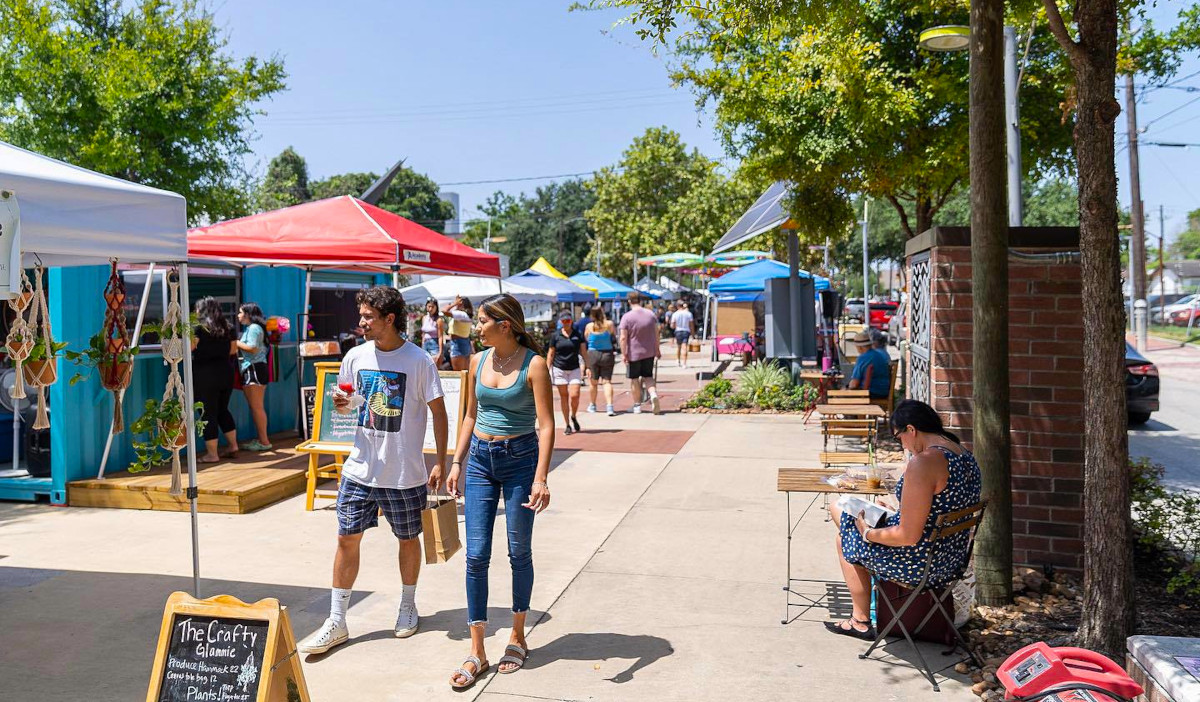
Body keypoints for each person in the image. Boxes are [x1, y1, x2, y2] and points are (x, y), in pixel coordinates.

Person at [297, 286, 449, 655]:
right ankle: (337, 620)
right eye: (362, 315)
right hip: (360, 468)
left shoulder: (418, 361)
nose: (361, 322)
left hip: (403, 473)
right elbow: (350, 408)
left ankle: (408, 604)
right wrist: (342, 403)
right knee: (346, 539)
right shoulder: (355, 356)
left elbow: (439, 413)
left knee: (407, 539)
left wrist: (442, 461)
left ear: (389, 319)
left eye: (368, 316)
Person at [446, 293, 554, 690]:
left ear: (504, 324)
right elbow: (470, 415)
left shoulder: (535, 365)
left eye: (481, 321)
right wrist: (457, 461)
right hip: (478, 460)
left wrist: (541, 477)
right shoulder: (477, 361)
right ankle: (477, 650)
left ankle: (517, 635)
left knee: (517, 551)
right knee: (476, 555)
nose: (476, 327)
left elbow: (545, 425)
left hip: (520, 461)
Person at [825, 399, 981, 640]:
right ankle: (863, 615)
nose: (902, 445)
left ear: (911, 429)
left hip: (920, 564)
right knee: (846, 516)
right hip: (950, 558)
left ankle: (860, 620)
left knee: (845, 532)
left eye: (899, 437)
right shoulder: (964, 455)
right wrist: (896, 512)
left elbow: (907, 536)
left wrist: (867, 532)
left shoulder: (924, 462)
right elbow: (941, 506)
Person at [191, 297, 238, 463]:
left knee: (207, 413)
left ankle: (212, 454)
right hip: (226, 372)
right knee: (222, 410)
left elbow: (190, 347)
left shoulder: (198, 328)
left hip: (205, 374)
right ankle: (233, 446)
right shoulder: (229, 327)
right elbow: (233, 350)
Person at [235, 303, 272, 451]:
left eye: (241, 312)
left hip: (254, 369)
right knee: (256, 407)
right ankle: (262, 439)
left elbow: (252, 347)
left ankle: (264, 441)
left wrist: (235, 342)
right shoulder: (254, 328)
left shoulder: (253, 328)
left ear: (248, 314)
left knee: (256, 407)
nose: (238, 316)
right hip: (256, 368)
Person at [618, 291, 661, 415]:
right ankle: (653, 394)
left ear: (629, 301)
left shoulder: (627, 317)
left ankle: (637, 405)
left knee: (634, 379)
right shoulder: (651, 315)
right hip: (649, 352)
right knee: (648, 376)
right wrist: (657, 349)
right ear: (640, 300)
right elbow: (656, 333)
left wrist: (624, 353)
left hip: (633, 353)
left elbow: (623, 338)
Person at [546, 310, 586, 435]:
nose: (566, 323)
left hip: (574, 368)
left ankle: (574, 415)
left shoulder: (578, 334)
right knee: (564, 397)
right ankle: (567, 424)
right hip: (559, 368)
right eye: (563, 321)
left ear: (571, 321)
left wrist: (587, 366)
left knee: (575, 395)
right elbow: (551, 353)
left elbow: (583, 351)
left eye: (568, 321)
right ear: (560, 322)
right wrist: (547, 369)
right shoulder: (555, 335)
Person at [584, 306, 617, 416]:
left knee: (593, 382)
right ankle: (610, 406)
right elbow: (613, 335)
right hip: (607, 353)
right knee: (607, 381)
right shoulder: (609, 324)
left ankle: (593, 405)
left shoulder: (589, 326)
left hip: (593, 354)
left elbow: (586, 338)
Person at [847, 329, 891, 400]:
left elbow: (854, 384)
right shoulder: (880, 355)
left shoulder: (863, 358)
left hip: (870, 393)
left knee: (836, 396)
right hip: (883, 391)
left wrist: (846, 390)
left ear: (860, 348)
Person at [444, 296, 474, 372]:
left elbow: (444, 311)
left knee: (458, 372)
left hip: (458, 343)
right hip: (464, 341)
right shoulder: (465, 315)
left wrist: (454, 303)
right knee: (465, 371)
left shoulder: (461, 314)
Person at [669, 300, 696, 368]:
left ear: (677, 306)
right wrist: (693, 334)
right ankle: (684, 363)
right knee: (685, 347)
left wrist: (675, 327)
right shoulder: (689, 314)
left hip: (678, 331)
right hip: (686, 331)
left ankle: (678, 360)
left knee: (678, 347)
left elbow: (672, 325)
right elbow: (691, 325)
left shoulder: (675, 314)